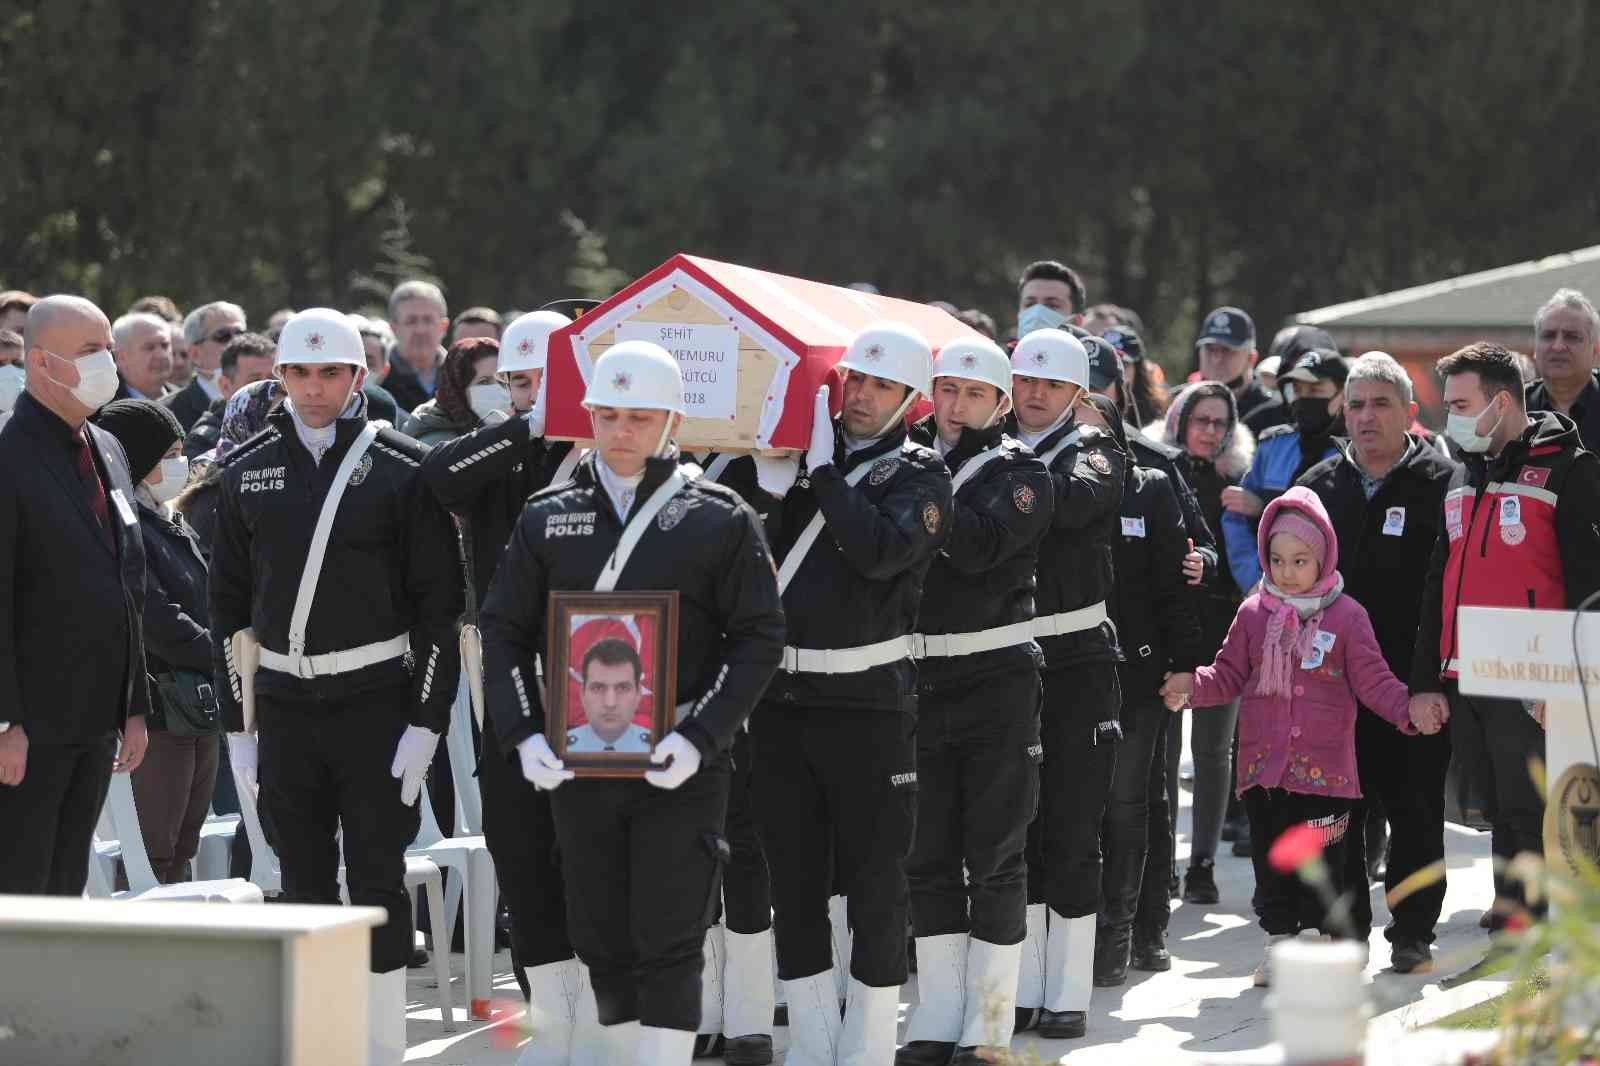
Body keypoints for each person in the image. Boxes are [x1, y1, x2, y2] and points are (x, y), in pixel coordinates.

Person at [480, 339, 784, 1066]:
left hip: (679, 758)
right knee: (600, 933)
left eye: (640, 417)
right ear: (586, 415)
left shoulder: (719, 517)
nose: (621, 431)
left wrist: (704, 735)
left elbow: (760, 635)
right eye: (607, 414)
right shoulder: (546, 516)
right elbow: (503, 627)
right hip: (578, 759)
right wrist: (524, 733)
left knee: (672, 931)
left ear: (673, 421)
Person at [209, 307, 462, 1065]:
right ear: (279, 378)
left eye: (330, 373)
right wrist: (238, 732)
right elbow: (226, 611)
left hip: (377, 702)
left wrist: (427, 719)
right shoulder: (245, 467)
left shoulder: (401, 465)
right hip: (285, 706)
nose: (314, 389)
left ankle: (383, 1043)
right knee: (305, 880)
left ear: (358, 378)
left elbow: (439, 610)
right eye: (299, 374)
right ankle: (324, 1046)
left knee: (380, 877)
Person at [753, 321, 950, 1066]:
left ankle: (866, 1047)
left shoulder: (921, 475)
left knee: (876, 883)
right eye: (854, 381)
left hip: (870, 706)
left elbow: (877, 554)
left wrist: (827, 475)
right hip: (781, 704)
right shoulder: (793, 460)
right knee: (794, 883)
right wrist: (770, 481)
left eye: (880, 386)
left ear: (910, 401)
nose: (861, 396)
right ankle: (809, 1042)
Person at [1161, 487, 1436, 986]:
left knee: (1336, 866)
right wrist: (1191, 686)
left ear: (1324, 556)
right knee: (1275, 867)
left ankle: (1345, 944)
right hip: (1265, 772)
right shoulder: (1253, 614)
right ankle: (1281, 943)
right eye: (1277, 559)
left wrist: (1408, 711)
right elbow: (1226, 675)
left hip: (1327, 773)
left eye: (1300, 560)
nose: (1286, 571)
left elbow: (1375, 681)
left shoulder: (1348, 617)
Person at [421, 309, 596, 1062]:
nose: (523, 393)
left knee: (588, 853)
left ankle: (600, 1014)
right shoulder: (500, 450)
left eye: (538, 380)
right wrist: (524, 424)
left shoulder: (601, 447)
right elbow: (438, 476)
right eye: (512, 381)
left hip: (599, 678)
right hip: (512, 678)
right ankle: (550, 1018)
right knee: (519, 849)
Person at [895, 337, 1052, 1065]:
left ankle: (988, 1021)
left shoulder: (1022, 474)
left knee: (995, 854)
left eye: (972, 394)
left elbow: (982, 546)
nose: (955, 407)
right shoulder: (905, 459)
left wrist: (922, 493)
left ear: (999, 402)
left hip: (995, 680)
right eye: (946, 391)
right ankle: (937, 1013)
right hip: (919, 681)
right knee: (925, 854)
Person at [1410, 342, 1600, 932]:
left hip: (1542, 673)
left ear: (1499, 402)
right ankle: (1512, 898)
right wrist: (1425, 677)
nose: (1452, 418)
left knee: (1534, 796)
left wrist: (1572, 683)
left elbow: (1590, 587)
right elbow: (1439, 581)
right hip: (1471, 667)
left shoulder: (1572, 468)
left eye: (1461, 404)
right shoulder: (1463, 475)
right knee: (1495, 791)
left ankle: (1543, 912)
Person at [1295, 352, 1457, 973]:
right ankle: (1343, 934)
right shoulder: (1317, 485)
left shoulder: (1445, 482)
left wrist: (1428, 683)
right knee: (1335, 817)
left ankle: (1412, 933)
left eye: (1381, 403)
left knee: (1416, 813)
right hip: (1329, 691)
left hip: (1411, 686)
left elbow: (1447, 594)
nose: (1366, 416)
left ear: (1411, 414)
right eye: (1356, 404)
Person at [0, 294, 151, 895]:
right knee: (21, 886)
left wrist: (132, 706)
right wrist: (5, 722)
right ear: (40, 363)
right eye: (89, 352)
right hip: (30, 724)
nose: (106, 364)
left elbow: (128, 583)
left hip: (96, 716)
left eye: (109, 349)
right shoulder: (8, 459)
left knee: (66, 886)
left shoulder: (106, 448)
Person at [1007, 328, 1125, 1041]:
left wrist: (1006, 473)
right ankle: (1022, 983)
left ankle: (1067, 988)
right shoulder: (993, 454)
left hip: (1079, 661)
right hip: (1007, 661)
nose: (1035, 394)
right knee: (1014, 830)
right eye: (1025, 379)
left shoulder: (1098, 454)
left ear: (1078, 396)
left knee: (1074, 826)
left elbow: (1070, 506)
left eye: (1052, 385)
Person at [1075, 393, 1202, 986]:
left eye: (1094, 431)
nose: (1085, 445)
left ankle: (1124, 935)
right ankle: (1076, 930)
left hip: (1141, 673)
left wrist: (1184, 665)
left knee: (1132, 803)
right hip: (1069, 672)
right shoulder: (1048, 480)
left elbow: (1180, 581)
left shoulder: (1149, 485)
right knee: (1076, 807)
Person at [95, 399, 223, 884]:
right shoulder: (121, 525)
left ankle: (177, 957)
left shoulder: (169, 518)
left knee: (183, 843)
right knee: (153, 851)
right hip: (159, 707)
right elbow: (153, 615)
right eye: (167, 452)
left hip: (195, 702)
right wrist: (219, 655)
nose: (180, 463)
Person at [1140, 383, 1256, 910]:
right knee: (1163, 752)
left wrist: (1257, 506)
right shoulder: (1156, 472)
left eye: (1219, 423)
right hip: (1166, 631)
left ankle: (1203, 863)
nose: (1210, 431)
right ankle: (1162, 862)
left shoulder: (1242, 482)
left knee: (1213, 752)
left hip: (1224, 630)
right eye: (1200, 420)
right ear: (1180, 421)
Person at [1222, 348, 1347, 597]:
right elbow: (1234, 517)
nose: (1303, 398)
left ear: (1342, 395)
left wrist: (1264, 507)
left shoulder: (1356, 455)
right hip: (1269, 593)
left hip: (1334, 597)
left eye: (1314, 390)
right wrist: (1254, 579)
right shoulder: (1274, 446)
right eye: (1298, 391)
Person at [1525, 288, 1600, 451]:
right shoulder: (1516, 409)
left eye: (1572, 337)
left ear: (1595, 350)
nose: (1558, 346)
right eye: (1548, 335)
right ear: (1535, 349)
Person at [1196, 306, 1290, 436]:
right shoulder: (1179, 404)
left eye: (1227, 350)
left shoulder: (1275, 414)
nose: (1216, 359)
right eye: (1210, 349)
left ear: (1251, 358)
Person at [183, 332, 278, 459]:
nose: (268, 389)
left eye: (274, 379)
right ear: (225, 387)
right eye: (255, 382)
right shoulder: (203, 442)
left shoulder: (297, 425)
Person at [399, 336, 504, 445]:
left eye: (502, 379)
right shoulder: (439, 444)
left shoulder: (502, 427)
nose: (499, 389)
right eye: (484, 382)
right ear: (458, 388)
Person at [165, 301, 247, 431]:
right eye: (223, 336)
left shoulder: (268, 397)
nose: (237, 342)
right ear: (195, 354)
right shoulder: (168, 413)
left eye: (241, 334)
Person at [568, 638, 653, 753]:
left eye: (623, 688)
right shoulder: (561, 749)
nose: (610, 703)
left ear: (638, 694)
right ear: (582, 694)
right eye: (598, 688)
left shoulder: (658, 748)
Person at [384, 279, 450, 412]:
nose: (420, 330)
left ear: (443, 326)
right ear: (394, 328)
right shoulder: (379, 378)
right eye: (411, 321)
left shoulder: (459, 376)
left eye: (428, 320)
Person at [111, 311, 176, 402]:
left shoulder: (186, 401)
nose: (161, 355)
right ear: (121, 357)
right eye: (149, 347)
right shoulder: (100, 410)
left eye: (165, 345)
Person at [1016, 260, 1088, 338]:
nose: (1037, 314)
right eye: (1029, 304)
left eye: (1052, 305)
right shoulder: (1002, 350)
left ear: (1077, 322)